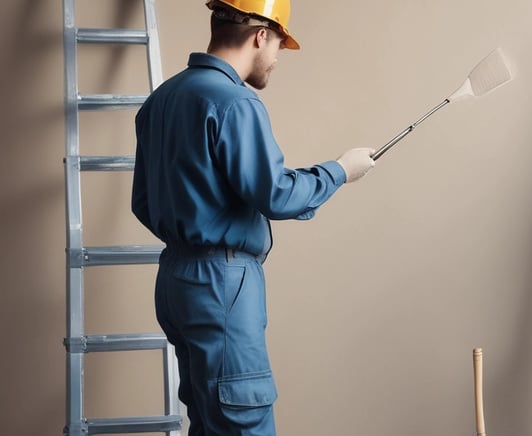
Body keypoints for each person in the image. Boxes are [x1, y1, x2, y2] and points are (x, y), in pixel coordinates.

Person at [131, 1, 375, 434]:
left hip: (174, 282)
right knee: (242, 416)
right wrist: (340, 170)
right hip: (221, 286)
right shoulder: (235, 102)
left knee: (209, 422)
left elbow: (144, 204)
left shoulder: (160, 101)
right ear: (261, 35)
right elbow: (276, 195)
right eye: (280, 44)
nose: (277, 59)